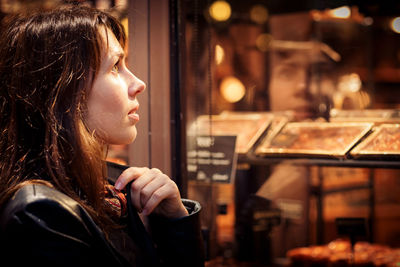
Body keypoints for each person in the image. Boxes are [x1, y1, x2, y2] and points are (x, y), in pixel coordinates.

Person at [0, 4, 204, 267]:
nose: (138, 84)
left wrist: (175, 219)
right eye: (116, 66)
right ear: (65, 91)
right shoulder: (40, 213)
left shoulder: (104, 186)